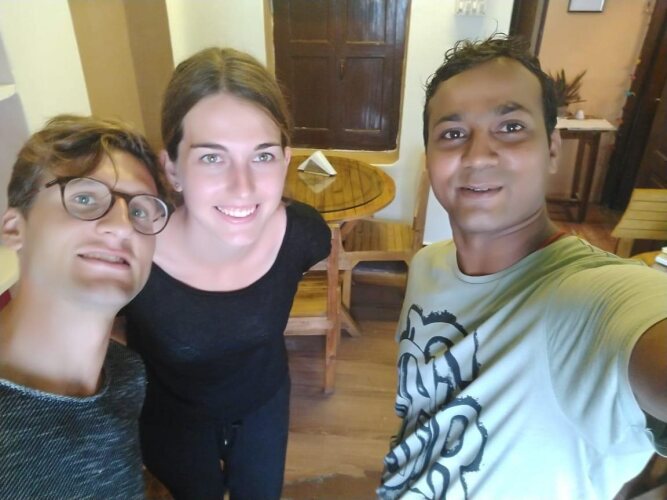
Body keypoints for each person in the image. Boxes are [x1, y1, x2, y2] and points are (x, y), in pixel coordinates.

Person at [377, 35, 667, 499]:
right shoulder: (429, 264)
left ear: (552, 148)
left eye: (510, 127)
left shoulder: (591, 296)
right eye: (452, 134)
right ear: (430, 157)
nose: (477, 155)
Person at [118, 47, 331, 499]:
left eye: (263, 156)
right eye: (212, 158)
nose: (243, 186)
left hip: (264, 406)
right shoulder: (133, 255)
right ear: (172, 169)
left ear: (286, 160)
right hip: (171, 422)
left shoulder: (304, 235)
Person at [0, 115, 171, 497]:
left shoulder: (126, 375)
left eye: (140, 211)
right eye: (84, 198)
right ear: (14, 228)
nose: (123, 226)